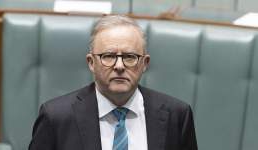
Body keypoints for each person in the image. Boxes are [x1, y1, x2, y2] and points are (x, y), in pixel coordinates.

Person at [29, 15, 197, 150]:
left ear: (144, 63)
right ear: (91, 63)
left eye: (129, 57)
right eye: (108, 56)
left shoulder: (177, 116)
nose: (119, 66)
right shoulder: (56, 117)